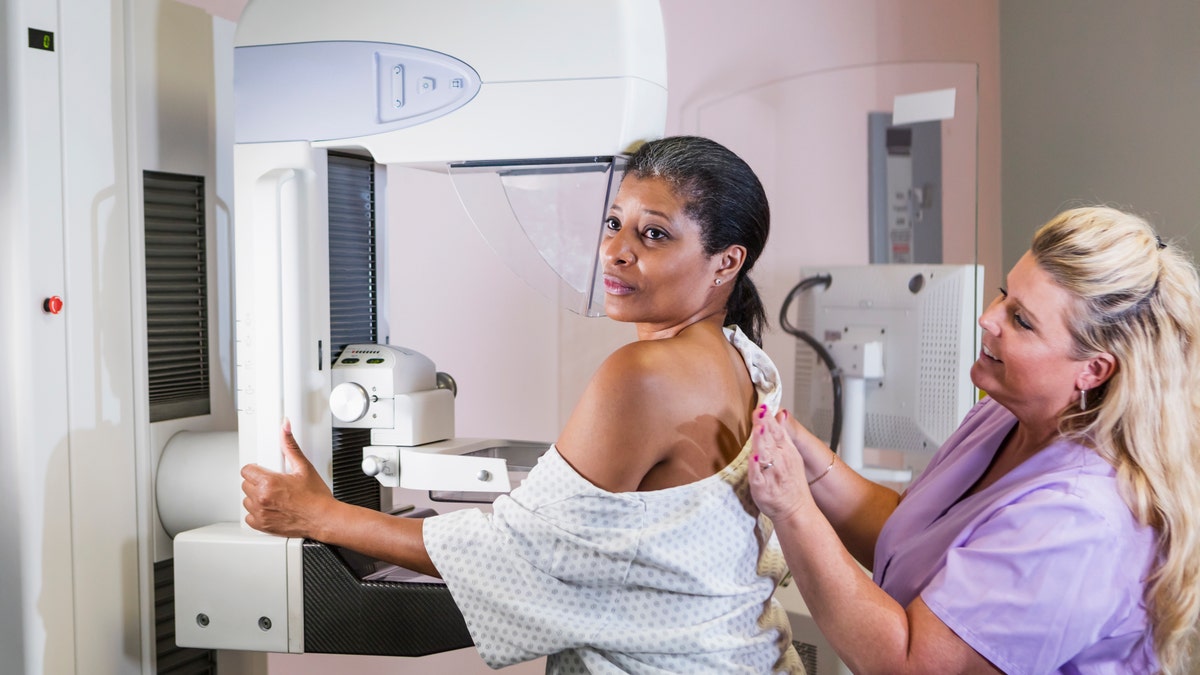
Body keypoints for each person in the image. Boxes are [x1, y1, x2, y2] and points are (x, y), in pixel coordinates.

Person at [242, 135, 805, 673]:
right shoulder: (744, 359)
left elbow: (521, 556)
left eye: (653, 235)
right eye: (614, 224)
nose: (615, 252)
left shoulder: (645, 374)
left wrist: (321, 515)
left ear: (726, 263)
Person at [748, 205, 1200, 674]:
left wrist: (793, 509)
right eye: (1004, 295)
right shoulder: (1003, 416)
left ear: (1093, 369)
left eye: (1022, 320)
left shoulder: (1079, 519)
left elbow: (913, 667)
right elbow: (911, 539)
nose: (988, 318)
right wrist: (800, 452)